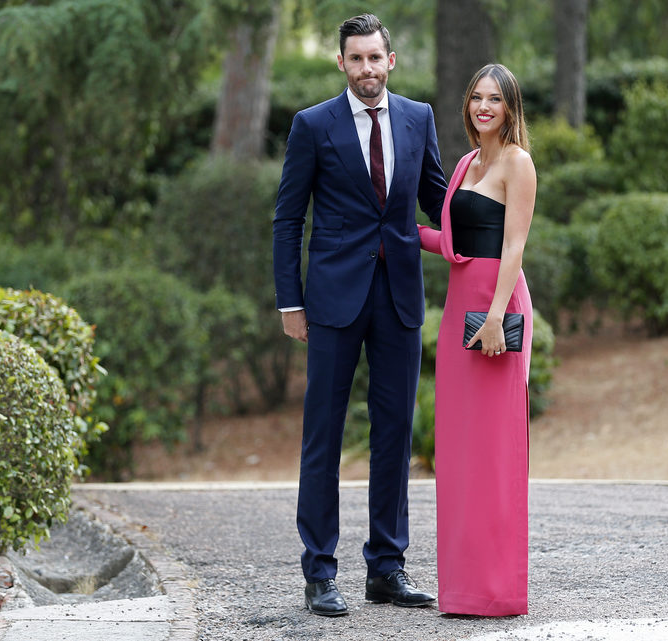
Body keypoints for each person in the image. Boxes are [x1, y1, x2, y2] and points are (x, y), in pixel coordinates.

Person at [272, 13, 447, 617]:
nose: (367, 69)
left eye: (376, 58)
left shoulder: (417, 118)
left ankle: (387, 567)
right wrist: (289, 301)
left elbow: (438, 198)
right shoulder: (312, 125)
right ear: (341, 63)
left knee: (395, 432)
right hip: (331, 300)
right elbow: (288, 218)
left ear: (390, 61)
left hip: (398, 297)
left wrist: (496, 195)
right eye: (356, 59)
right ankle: (320, 572)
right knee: (323, 434)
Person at [417, 63, 536, 616]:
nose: (483, 107)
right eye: (476, 98)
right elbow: (454, 240)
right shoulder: (466, 162)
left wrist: (493, 316)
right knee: (460, 454)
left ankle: (497, 591)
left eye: (495, 99)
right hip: (458, 307)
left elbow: (512, 248)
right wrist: (402, 231)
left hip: (495, 308)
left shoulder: (518, 163)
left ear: (510, 108)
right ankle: (462, 591)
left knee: (494, 453)